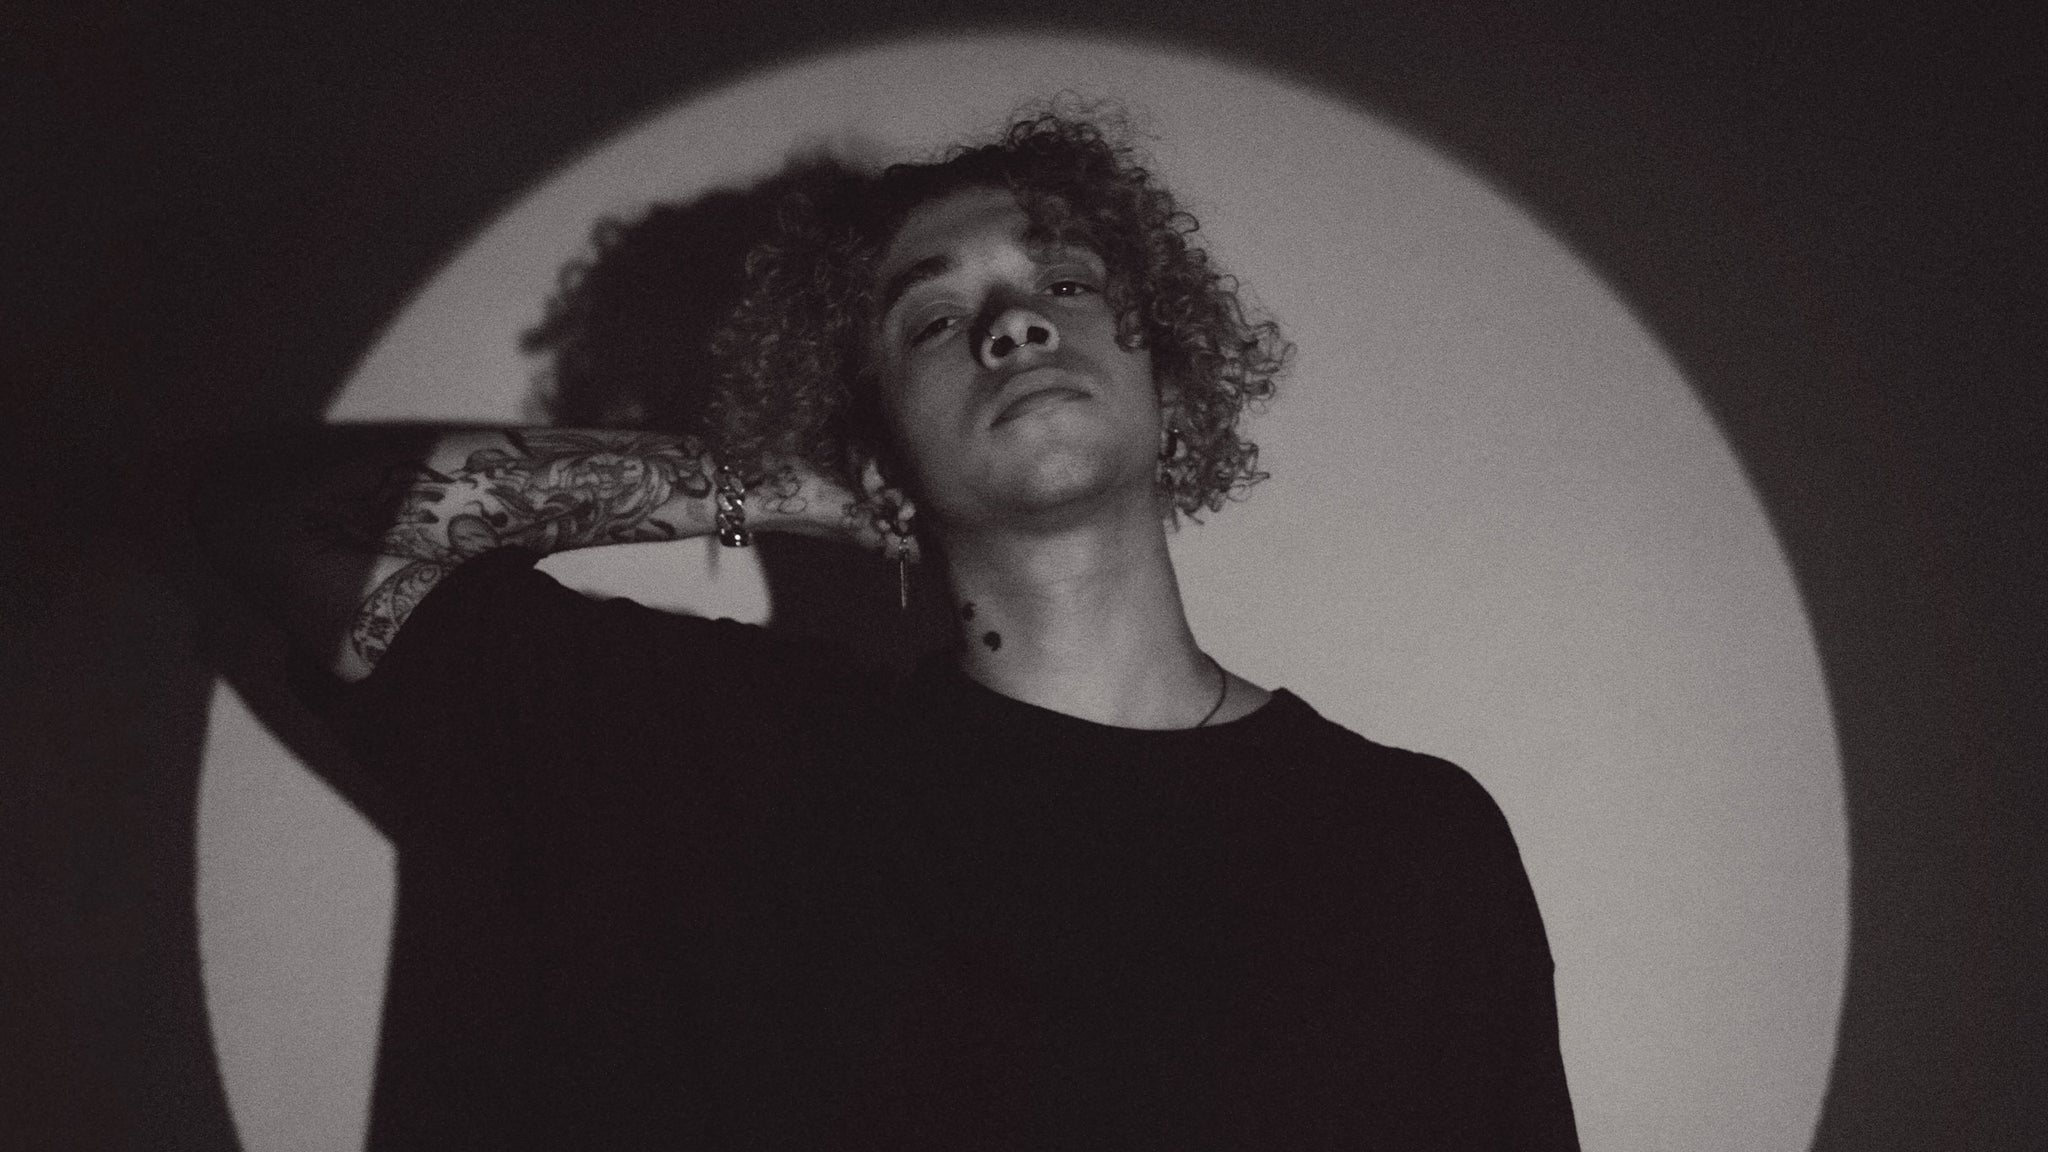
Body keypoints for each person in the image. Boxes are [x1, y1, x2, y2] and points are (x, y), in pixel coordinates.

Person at [202, 107, 1579, 1149]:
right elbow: (290, 527)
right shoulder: (733, 760)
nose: (1015, 324)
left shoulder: (1411, 844)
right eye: (934, 319)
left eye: (1065, 282)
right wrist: (772, 481)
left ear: (1170, 379)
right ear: (869, 455)